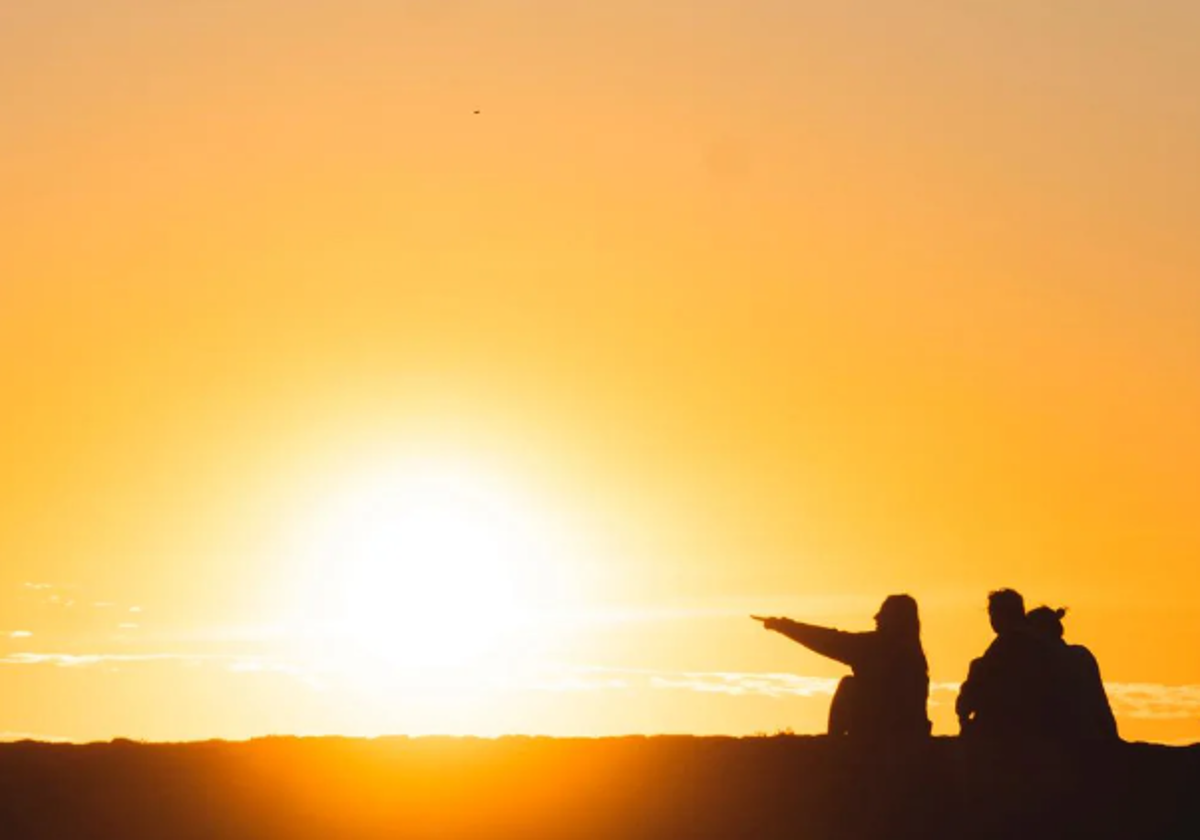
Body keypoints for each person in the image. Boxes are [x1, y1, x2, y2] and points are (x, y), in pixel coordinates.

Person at [753, 594, 931, 739]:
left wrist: (785, 626)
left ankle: (835, 745)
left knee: (849, 685)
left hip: (884, 736)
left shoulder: (880, 648)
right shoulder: (913, 655)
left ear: (896, 619)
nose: (876, 617)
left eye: (884, 613)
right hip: (908, 734)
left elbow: (832, 641)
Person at [957, 589, 1063, 739]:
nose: (991, 619)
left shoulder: (1005, 645)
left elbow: (975, 692)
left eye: (992, 613)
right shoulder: (1040, 645)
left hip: (1005, 734)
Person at [1026, 605, 1119, 742]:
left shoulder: (1041, 662)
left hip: (1067, 739)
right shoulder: (1081, 655)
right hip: (1093, 734)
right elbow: (1100, 703)